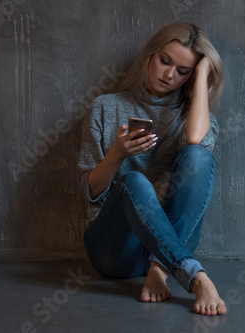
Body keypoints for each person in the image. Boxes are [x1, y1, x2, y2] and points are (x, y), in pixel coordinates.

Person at [78, 22, 227, 316]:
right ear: (150, 55)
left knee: (199, 157)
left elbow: (196, 140)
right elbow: (90, 190)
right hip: (115, 250)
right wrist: (118, 154)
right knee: (134, 181)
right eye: (165, 61)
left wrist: (202, 75)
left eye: (183, 71)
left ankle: (160, 268)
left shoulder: (197, 119)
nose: (169, 74)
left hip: (167, 249)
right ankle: (194, 276)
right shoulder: (105, 107)